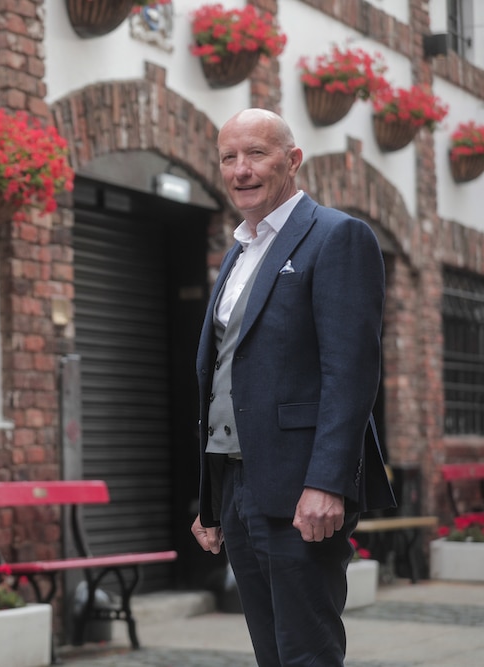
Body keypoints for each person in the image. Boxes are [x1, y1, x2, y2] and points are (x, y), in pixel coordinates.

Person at [190, 109, 395, 667]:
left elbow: (350, 374)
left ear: (293, 160)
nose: (240, 170)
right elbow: (221, 376)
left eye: (256, 153)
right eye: (229, 157)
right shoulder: (238, 252)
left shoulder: (337, 236)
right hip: (235, 481)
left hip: (303, 488)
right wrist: (210, 499)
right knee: (270, 654)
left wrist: (328, 482)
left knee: (307, 653)